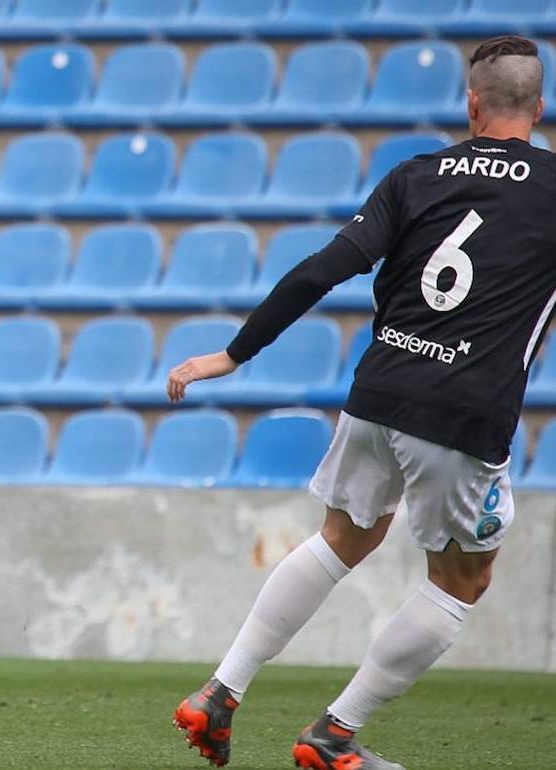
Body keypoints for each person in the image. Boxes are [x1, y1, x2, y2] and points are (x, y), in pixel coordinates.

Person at [169, 35, 552, 770]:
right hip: (462, 411)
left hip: (377, 391)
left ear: (470, 103)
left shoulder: (415, 176)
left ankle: (222, 690)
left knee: (342, 536)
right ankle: (334, 734)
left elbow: (321, 271)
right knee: (463, 579)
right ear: (538, 108)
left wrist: (233, 354)